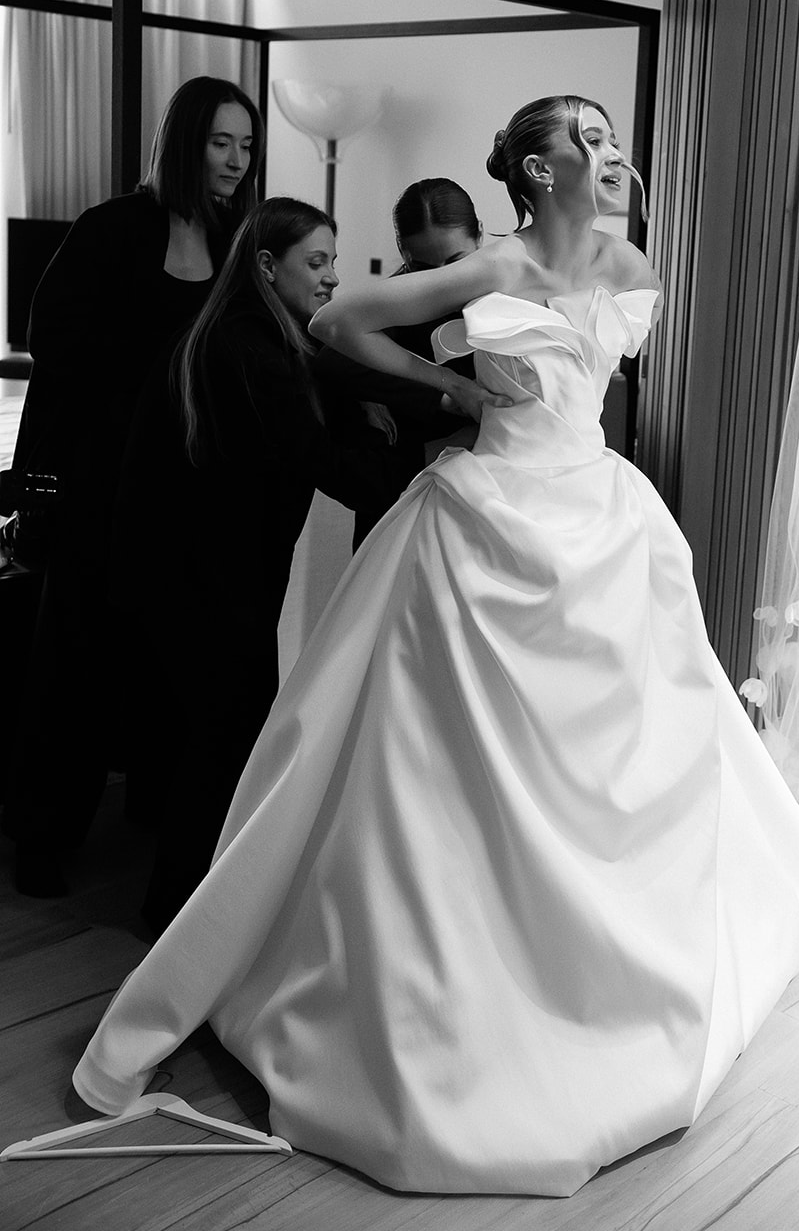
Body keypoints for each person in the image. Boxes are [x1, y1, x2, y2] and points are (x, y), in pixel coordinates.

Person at [72, 94, 799, 1197]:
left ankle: (612, 973)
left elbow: (593, 376)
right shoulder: (491, 267)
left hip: (595, 515)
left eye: (611, 139)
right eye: (588, 141)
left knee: (628, 746)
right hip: (486, 511)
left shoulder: (630, 263)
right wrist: (447, 381)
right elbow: (338, 321)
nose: (612, 154)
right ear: (537, 171)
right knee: (431, 770)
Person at [1, 75, 263, 898]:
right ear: (185, 142)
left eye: (246, 145)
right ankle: (42, 836)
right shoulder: (112, 227)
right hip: (101, 481)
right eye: (220, 142)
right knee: (74, 656)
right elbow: (53, 338)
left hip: (189, 484)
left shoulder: (234, 237)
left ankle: (154, 808)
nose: (236, 160)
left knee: (169, 656)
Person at [114, 197, 389, 931]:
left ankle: (186, 911)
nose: (332, 278)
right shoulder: (252, 353)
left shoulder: (238, 334)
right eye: (317, 262)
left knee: (214, 740)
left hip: (191, 572)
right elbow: (325, 463)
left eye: (333, 261)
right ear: (268, 266)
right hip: (210, 580)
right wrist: (389, 447)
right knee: (224, 743)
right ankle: (179, 922)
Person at [313, 177, 481, 547]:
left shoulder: (507, 288)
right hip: (410, 489)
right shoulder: (394, 300)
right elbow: (332, 359)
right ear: (403, 253)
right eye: (423, 268)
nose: (443, 281)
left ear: (480, 237)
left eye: (455, 262)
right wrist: (442, 394)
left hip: (486, 489)